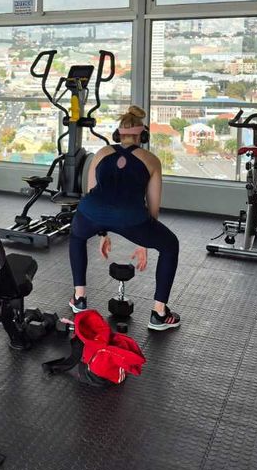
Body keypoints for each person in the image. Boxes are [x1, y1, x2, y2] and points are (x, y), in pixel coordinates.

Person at [67, 105, 181, 331]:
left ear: (118, 134)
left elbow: (91, 191)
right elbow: (153, 207)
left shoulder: (101, 153)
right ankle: (159, 314)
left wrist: (101, 232)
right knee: (170, 246)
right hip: (131, 218)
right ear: (143, 135)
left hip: (90, 212)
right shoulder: (151, 160)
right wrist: (143, 241)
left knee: (77, 236)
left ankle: (79, 298)